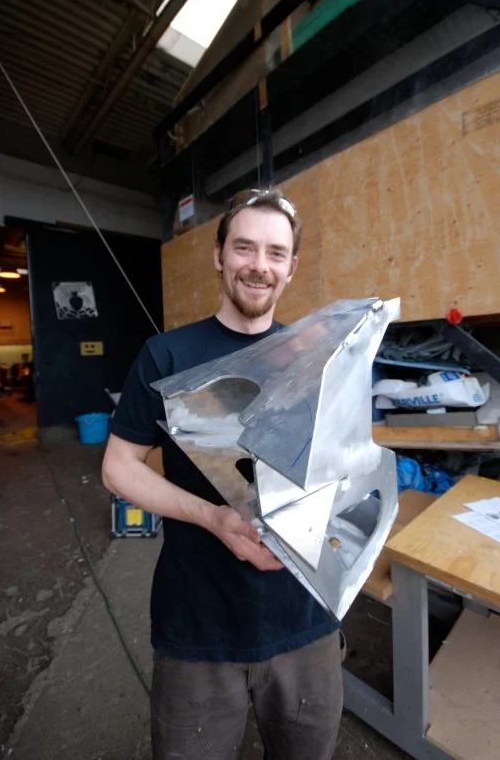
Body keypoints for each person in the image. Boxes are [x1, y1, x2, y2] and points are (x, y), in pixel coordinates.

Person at [102, 188, 344, 760]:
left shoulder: (315, 361)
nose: (259, 266)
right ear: (218, 256)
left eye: (275, 253)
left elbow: (343, 467)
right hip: (200, 627)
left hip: (306, 621)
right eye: (244, 248)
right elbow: (117, 468)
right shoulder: (166, 358)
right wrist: (213, 517)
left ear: (291, 268)